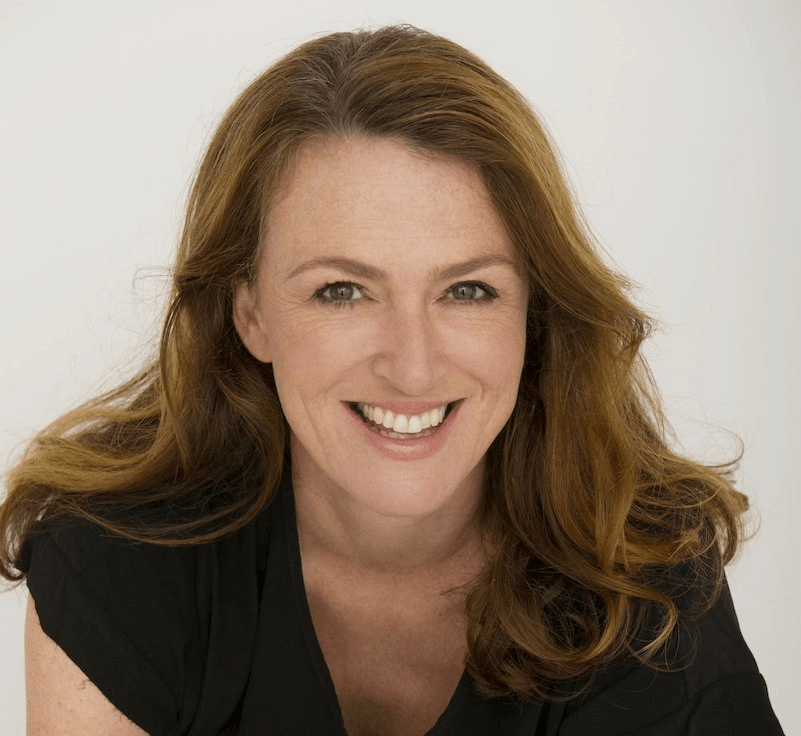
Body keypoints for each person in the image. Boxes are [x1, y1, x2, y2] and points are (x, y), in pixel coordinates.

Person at [0, 24, 785, 736]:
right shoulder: (116, 559)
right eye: (341, 290)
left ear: (532, 316)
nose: (412, 365)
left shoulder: (642, 580)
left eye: (467, 290)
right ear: (251, 315)